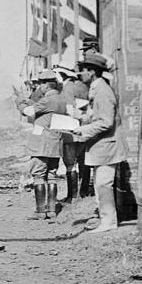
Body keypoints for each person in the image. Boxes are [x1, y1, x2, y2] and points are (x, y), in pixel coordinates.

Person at [71, 53, 129, 233]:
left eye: (84, 71)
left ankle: (109, 222)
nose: (81, 74)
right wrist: (80, 118)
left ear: (93, 72)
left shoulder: (102, 91)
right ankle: (106, 220)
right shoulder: (97, 88)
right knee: (100, 185)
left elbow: (106, 122)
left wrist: (83, 130)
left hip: (107, 146)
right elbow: (97, 116)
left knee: (103, 185)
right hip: (102, 146)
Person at [17, 70, 67, 220]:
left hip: (41, 144)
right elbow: (41, 109)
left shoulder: (47, 101)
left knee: (39, 176)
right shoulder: (60, 99)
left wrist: (20, 100)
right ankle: (51, 211)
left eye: (40, 85)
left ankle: (40, 212)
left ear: (46, 85)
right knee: (51, 176)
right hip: (55, 143)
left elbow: (27, 111)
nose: (40, 88)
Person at [55, 61, 90, 202]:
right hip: (86, 130)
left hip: (71, 130)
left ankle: (72, 196)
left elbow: (69, 110)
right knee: (84, 162)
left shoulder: (68, 88)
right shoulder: (84, 87)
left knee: (70, 164)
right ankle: (84, 193)